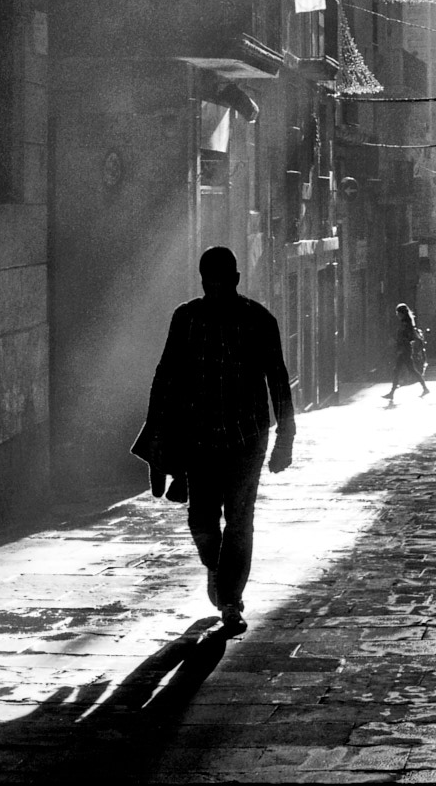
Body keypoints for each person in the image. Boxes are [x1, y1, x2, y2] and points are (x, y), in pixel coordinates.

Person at [131, 246, 295, 637]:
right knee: (202, 520)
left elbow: (278, 380)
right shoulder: (186, 319)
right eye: (210, 282)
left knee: (240, 521)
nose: (217, 288)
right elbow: (165, 377)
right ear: (202, 282)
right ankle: (216, 568)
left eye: (224, 281)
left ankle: (231, 601)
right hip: (199, 442)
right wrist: (157, 437)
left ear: (237, 280)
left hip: (245, 441)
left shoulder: (259, 321)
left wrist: (284, 439)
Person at [382, 302, 429, 401]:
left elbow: (407, 337)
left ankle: (392, 392)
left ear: (402, 313)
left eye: (398, 313)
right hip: (404, 349)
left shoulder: (406, 324)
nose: (397, 315)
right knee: (409, 370)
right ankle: (424, 388)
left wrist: (401, 347)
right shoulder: (406, 323)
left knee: (399, 370)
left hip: (404, 350)